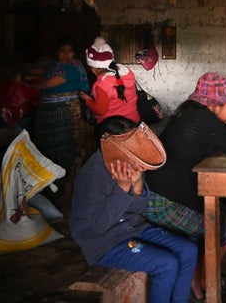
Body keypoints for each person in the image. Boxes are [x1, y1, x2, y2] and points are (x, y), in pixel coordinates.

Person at [143, 72, 226, 299]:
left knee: (213, 217)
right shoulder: (203, 120)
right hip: (164, 204)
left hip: (155, 195)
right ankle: (206, 280)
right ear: (214, 106)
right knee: (223, 225)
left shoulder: (191, 115)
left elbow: (223, 136)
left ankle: (195, 281)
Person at [70, 116, 198, 303]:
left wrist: (137, 184)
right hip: (103, 242)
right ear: (110, 146)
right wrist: (122, 188)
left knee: (188, 250)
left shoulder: (128, 160)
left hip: (132, 228)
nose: (134, 148)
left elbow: (138, 210)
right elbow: (97, 226)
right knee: (166, 264)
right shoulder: (92, 174)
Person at [25, 37, 92, 195]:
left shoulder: (73, 66)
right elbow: (43, 72)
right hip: (49, 113)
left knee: (67, 148)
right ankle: (51, 186)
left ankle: (68, 189)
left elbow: (48, 84)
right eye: (62, 51)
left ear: (75, 54)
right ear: (56, 53)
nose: (66, 55)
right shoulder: (55, 65)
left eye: (70, 51)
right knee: (48, 148)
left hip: (64, 112)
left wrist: (27, 84)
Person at [80, 36, 141, 134]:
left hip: (114, 129)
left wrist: (88, 100)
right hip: (133, 123)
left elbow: (100, 110)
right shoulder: (125, 73)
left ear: (94, 69)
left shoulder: (102, 85)